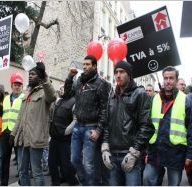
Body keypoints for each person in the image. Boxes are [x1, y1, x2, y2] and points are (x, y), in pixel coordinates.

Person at [101, 61, 154, 186]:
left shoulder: (139, 94)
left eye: (122, 72)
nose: (118, 75)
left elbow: (146, 126)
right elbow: (107, 123)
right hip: (112, 155)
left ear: (129, 74)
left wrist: (135, 152)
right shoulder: (112, 96)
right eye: (116, 72)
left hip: (130, 155)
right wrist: (105, 146)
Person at [144, 66, 192, 186]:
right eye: (166, 78)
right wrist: (146, 148)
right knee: (147, 178)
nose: (168, 81)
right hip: (156, 149)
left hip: (175, 151)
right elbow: (148, 125)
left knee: (174, 184)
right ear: (163, 80)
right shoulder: (155, 99)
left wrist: (190, 154)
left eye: (171, 78)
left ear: (176, 80)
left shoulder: (186, 100)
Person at [64, 55, 111, 185]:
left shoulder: (101, 84)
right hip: (78, 127)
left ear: (94, 66)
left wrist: (99, 130)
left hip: (91, 128)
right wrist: (69, 77)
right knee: (74, 160)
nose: (84, 67)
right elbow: (67, 93)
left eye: (87, 64)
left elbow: (104, 110)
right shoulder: (79, 81)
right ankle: (85, 183)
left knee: (88, 164)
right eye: (83, 64)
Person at [11, 62, 56, 186]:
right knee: (22, 171)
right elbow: (20, 117)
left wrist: (46, 78)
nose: (30, 76)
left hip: (36, 139)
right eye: (29, 74)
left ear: (40, 76)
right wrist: (13, 134)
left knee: (36, 172)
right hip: (22, 138)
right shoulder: (26, 94)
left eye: (33, 74)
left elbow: (52, 97)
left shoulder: (44, 92)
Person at [48, 84, 78, 185]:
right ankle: (55, 181)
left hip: (65, 139)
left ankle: (72, 181)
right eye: (60, 88)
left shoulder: (74, 101)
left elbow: (75, 120)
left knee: (65, 164)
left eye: (63, 88)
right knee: (51, 162)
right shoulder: (59, 101)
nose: (61, 90)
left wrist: (66, 131)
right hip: (54, 137)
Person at [0, 73, 25, 186]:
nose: (17, 86)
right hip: (5, 132)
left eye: (19, 84)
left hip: (18, 133)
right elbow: (4, 114)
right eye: (15, 84)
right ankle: (4, 182)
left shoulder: (24, 98)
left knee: (20, 160)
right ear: (11, 85)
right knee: (5, 159)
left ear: (22, 86)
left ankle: (21, 182)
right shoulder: (5, 99)